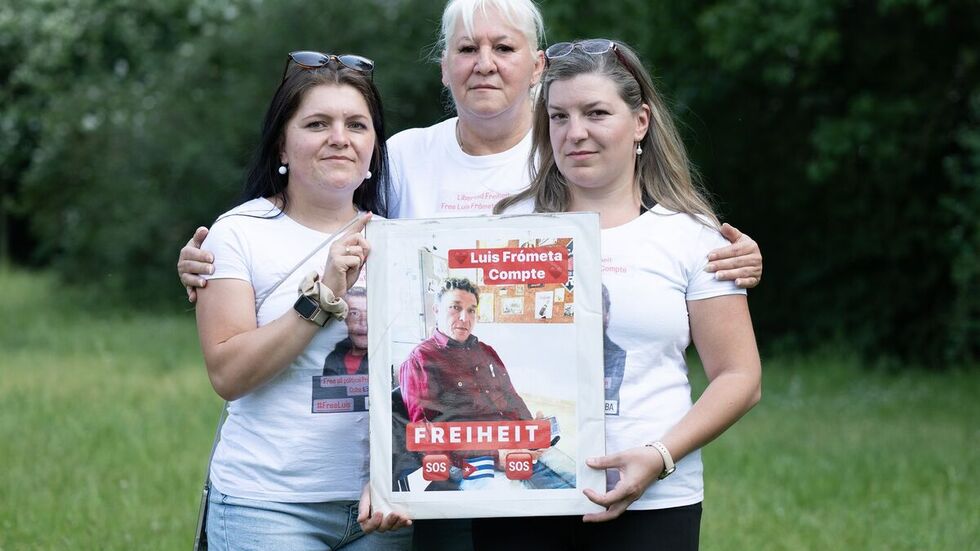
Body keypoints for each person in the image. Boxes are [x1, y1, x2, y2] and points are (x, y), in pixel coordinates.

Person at [177, 2, 764, 548]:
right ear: (443, 67)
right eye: (465, 49)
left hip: (544, 481)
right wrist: (215, 259)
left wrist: (734, 255)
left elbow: (640, 228)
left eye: (504, 48)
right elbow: (321, 211)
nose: (484, 64)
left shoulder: (562, 157)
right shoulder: (403, 158)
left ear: (537, 66)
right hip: (409, 476)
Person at [476, 39, 763, 550]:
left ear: (641, 123)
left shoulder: (692, 237)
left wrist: (659, 455)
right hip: (522, 490)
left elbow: (739, 376)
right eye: (559, 116)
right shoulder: (505, 229)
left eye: (596, 113)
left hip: (655, 500)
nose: (575, 132)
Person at [194, 50, 410, 549]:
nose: (339, 137)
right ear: (282, 148)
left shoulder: (400, 240)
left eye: (356, 124)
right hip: (267, 505)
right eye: (317, 123)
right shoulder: (239, 234)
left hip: (382, 507)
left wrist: (402, 476)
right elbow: (228, 375)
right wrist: (324, 295)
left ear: (375, 149)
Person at [398, 277, 572, 491]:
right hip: (468, 462)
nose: (465, 318)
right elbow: (425, 435)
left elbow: (511, 397)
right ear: (436, 310)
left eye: (471, 310)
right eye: (455, 308)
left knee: (575, 483)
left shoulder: (486, 351)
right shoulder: (421, 360)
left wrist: (531, 429)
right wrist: (494, 456)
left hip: (515, 447)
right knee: (520, 504)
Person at [323, 286, 369, 376]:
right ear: (345, 318)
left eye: (368, 313)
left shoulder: (385, 359)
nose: (363, 322)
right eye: (354, 313)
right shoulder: (333, 358)